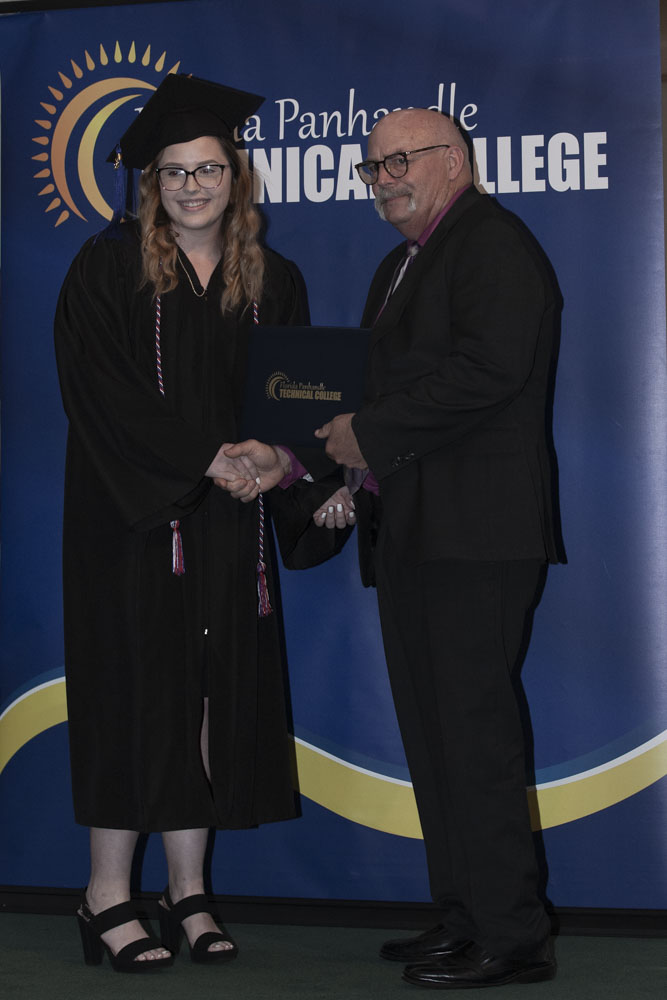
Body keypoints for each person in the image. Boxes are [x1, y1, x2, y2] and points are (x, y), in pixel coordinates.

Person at [223, 107, 563, 989]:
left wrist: (367, 436)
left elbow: (490, 371)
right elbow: (375, 394)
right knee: (434, 735)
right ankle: (464, 914)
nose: (385, 180)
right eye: (373, 167)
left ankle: (512, 935)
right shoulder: (400, 264)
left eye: (400, 160)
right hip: (413, 529)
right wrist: (333, 470)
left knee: (473, 736)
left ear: (454, 160)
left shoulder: (490, 243)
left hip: (475, 535)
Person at [54, 74, 310, 973]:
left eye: (208, 169)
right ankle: (105, 896)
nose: (192, 186)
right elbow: (100, 392)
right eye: (174, 172)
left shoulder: (272, 279)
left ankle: (187, 892)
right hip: (131, 522)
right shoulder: (107, 267)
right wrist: (207, 458)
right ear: (151, 183)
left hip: (227, 523)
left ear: (236, 178)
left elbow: (295, 397)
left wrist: (275, 460)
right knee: (136, 695)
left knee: (205, 694)